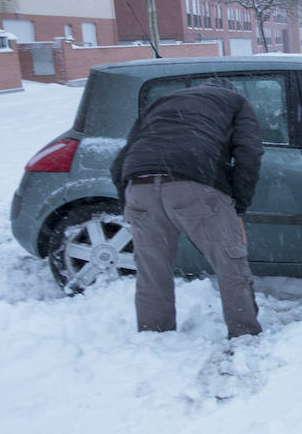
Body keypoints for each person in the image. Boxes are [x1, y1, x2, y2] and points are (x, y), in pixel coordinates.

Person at [110, 78, 264, 338]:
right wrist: (238, 209)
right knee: (230, 263)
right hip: (195, 182)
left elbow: (119, 163)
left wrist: (129, 206)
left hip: (138, 183)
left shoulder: (163, 102)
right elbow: (249, 153)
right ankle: (245, 335)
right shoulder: (237, 102)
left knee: (152, 271)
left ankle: (154, 338)